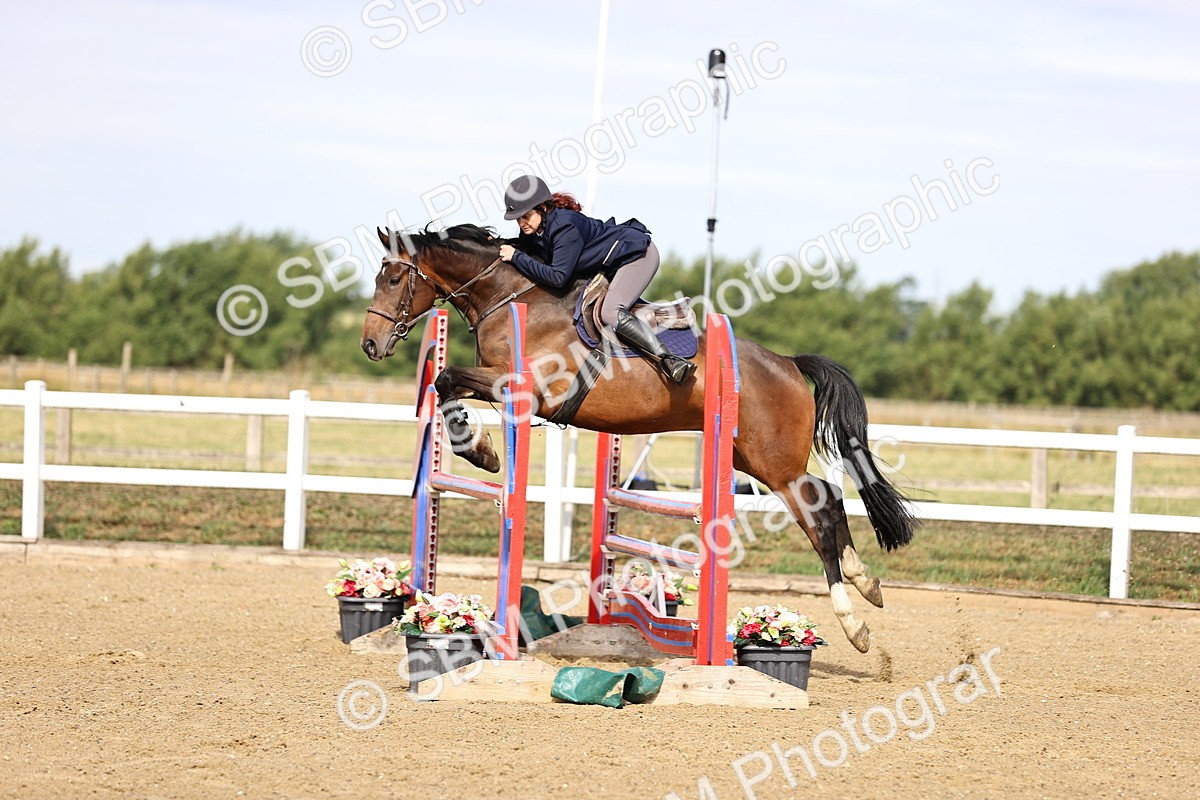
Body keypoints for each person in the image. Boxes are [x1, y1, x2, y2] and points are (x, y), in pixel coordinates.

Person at [496, 175, 696, 384]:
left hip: (637, 256)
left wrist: (516, 256)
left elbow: (557, 277)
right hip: (612, 264)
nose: (522, 223)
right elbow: (525, 247)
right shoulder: (537, 226)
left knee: (610, 312)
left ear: (543, 208)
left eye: (526, 216)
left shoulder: (564, 227)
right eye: (518, 219)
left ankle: (670, 360)